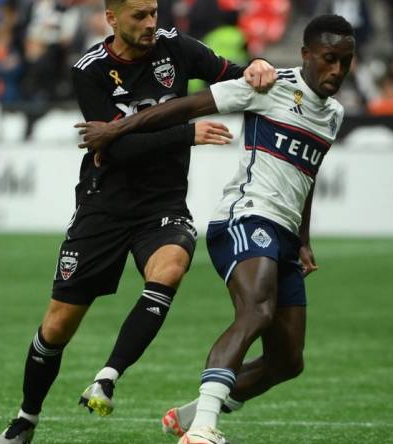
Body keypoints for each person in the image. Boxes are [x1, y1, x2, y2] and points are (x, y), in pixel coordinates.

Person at [0, 0, 276, 442]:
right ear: (112, 18)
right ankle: (26, 418)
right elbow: (115, 149)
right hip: (103, 205)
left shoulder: (176, 48)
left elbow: (231, 71)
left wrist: (258, 66)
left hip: (161, 205)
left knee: (171, 267)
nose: (150, 25)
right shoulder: (89, 70)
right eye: (139, 16)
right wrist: (187, 132)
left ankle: (107, 375)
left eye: (153, 13)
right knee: (56, 327)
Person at [76, 14, 355, 444]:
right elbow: (183, 107)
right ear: (306, 55)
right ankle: (204, 429)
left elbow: (308, 174)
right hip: (245, 218)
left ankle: (191, 414)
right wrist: (116, 129)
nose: (337, 70)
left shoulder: (333, 114)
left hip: (284, 233)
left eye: (346, 62)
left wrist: (303, 239)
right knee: (257, 312)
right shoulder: (271, 85)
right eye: (329, 59)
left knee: (287, 362)